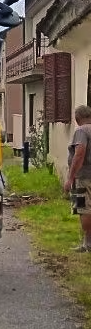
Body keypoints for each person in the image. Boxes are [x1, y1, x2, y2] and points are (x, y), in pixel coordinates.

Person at [65, 104, 91, 252]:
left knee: (84, 209)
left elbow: (79, 153)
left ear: (77, 118)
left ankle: (87, 244)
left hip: (83, 177)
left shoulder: (81, 131)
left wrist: (70, 178)